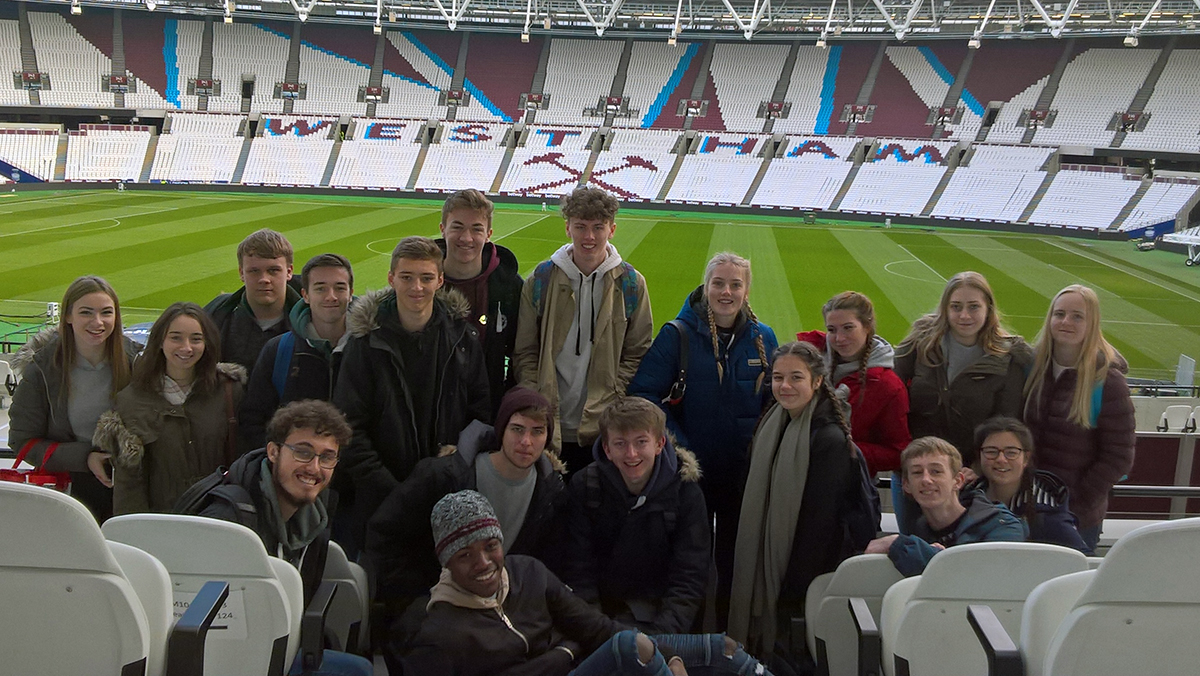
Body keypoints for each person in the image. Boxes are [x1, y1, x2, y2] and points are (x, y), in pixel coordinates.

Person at [392, 489, 774, 676]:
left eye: (490, 546)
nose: (483, 563)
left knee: (722, 649)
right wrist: (566, 651)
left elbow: (595, 628)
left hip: (575, 666)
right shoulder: (438, 634)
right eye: (465, 555)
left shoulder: (527, 573)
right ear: (446, 562)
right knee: (631, 649)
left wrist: (668, 653)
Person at [627, 252, 776, 632]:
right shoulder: (676, 335)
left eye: (735, 284)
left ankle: (728, 637)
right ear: (705, 286)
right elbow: (643, 394)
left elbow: (775, 401)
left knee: (734, 563)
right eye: (718, 283)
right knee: (689, 564)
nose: (726, 292)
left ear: (746, 290)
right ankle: (685, 640)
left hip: (743, 474)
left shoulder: (764, 337)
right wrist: (680, 448)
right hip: (690, 475)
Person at [332, 236, 490, 554]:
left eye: (426, 278)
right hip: (382, 501)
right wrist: (393, 490)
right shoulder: (364, 344)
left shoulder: (463, 339)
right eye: (407, 277)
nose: (417, 287)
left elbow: (480, 410)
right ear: (391, 278)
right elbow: (348, 427)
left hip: (446, 493)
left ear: (440, 280)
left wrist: (455, 463)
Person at [195, 399, 371, 676]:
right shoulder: (228, 518)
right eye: (303, 452)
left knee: (357, 669)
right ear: (274, 452)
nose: (314, 468)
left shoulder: (316, 517)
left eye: (327, 457)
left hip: (277, 644)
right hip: (226, 656)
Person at [365, 387, 567, 626]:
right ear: (501, 430)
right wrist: (413, 604)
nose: (526, 441)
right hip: (435, 608)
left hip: (505, 616)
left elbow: (554, 564)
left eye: (537, 431)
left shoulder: (552, 492)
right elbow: (385, 534)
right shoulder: (442, 475)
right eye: (517, 429)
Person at [728, 341, 866, 667]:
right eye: (778, 378)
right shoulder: (773, 423)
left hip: (802, 577)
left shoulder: (828, 439)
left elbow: (821, 525)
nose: (785, 386)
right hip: (778, 568)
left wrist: (791, 589)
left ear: (817, 381)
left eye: (796, 378)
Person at [513, 186, 654, 475]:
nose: (589, 236)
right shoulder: (540, 280)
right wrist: (536, 396)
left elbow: (638, 351)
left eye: (598, 227)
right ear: (568, 228)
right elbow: (525, 350)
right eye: (580, 227)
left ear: (612, 229)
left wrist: (615, 392)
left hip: (603, 427)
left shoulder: (631, 284)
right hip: (548, 424)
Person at [894, 271, 1032, 532]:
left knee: (963, 547)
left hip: (969, 478)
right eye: (956, 307)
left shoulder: (1008, 357)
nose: (964, 316)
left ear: (988, 308)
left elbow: (1006, 422)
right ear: (945, 308)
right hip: (917, 472)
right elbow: (894, 399)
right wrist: (906, 457)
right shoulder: (920, 343)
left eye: (973, 307)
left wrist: (977, 467)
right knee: (913, 542)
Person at [563, 397, 709, 635]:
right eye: (620, 444)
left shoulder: (686, 492)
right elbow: (578, 570)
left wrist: (661, 637)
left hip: (663, 618)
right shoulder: (586, 487)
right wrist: (597, 632)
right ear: (607, 449)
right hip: (602, 617)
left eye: (641, 442)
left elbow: (689, 577)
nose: (631, 454)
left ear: (659, 443)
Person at [9, 276, 139, 522]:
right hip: (67, 491)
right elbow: (22, 440)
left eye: (106, 312)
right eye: (86, 312)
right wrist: (85, 458)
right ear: (68, 316)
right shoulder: (42, 369)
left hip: (129, 489)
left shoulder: (138, 362)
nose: (97, 322)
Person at [95, 302, 246, 515]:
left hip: (219, 517)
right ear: (160, 341)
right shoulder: (131, 401)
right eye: (176, 338)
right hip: (161, 522)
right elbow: (129, 485)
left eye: (196, 339)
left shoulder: (230, 391)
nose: (186, 348)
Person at [1022, 285, 1135, 553]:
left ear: (1092, 323)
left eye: (1077, 316)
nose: (1066, 322)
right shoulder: (1031, 369)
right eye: (1059, 314)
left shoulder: (1108, 382)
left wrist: (1074, 504)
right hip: (1025, 510)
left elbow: (1119, 457)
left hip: (1076, 519)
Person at [240, 253, 354, 451]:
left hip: (359, 469)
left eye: (339, 287)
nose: (331, 296)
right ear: (305, 295)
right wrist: (284, 460)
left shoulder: (371, 349)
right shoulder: (278, 350)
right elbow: (253, 420)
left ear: (351, 293)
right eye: (320, 288)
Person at [865, 437, 1025, 577]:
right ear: (906, 485)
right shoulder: (920, 530)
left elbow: (979, 578)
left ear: (958, 481)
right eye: (917, 472)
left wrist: (900, 544)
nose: (926, 479)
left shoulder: (1002, 526)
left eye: (936, 471)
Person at [797, 291, 910, 476]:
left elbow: (897, 452)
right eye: (832, 330)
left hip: (846, 481)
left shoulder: (888, 386)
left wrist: (842, 448)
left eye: (848, 328)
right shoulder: (806, 365)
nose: (839, 338)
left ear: (867, 327)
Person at [435, 189, 523, 413]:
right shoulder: (421, 282)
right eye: (457, 227)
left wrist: (508, 402)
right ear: (443, 229)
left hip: (488, 411)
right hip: (429, 410)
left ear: (488, 234)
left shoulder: (510, 286)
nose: (466, 238)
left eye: (476, 229)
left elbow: (522, 353)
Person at [965, 417, 1089, 553]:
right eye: (991, 451)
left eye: (1011, 452)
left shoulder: (1047, 515)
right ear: (979, 456)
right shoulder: (965, 500)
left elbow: (1084, 559)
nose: (1001, 459)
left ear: (1026, 458)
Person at [204, 228, 301, 372]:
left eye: (273, 270)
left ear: (289, 271)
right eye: (254, 271)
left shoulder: (312, 321)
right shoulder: (214, 317)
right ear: (241, 273)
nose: (264, 279)